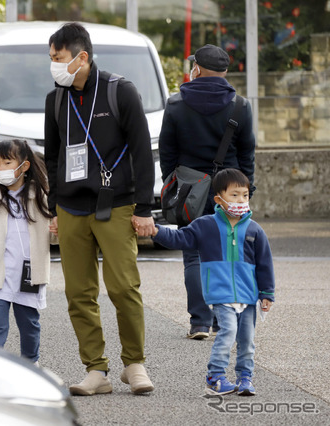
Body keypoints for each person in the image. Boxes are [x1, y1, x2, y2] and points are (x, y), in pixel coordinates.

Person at [44, 22, 155, 395]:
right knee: (78, 293)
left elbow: (142, 150)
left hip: (117, 204)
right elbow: (53, 156)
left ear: (82, 57)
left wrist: (144, 208)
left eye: (58, 58)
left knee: (124, 287)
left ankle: (134, 364)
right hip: (71, 208)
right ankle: (96, 370)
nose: (54, 66)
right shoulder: (56, 99)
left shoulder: (119, 92)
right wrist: (53, 208)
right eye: (52, 59)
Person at [159, 44, 256, 340]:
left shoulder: (176, 104)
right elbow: (248, 154)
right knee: (227, 254)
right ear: (224, 73)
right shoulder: (240, 106)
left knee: (193, 255)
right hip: (229, 190)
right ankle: (223, 320)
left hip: (189, 189)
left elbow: (168, 152)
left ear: (197, 69)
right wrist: (245, 191)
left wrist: (174, 184)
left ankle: (200, 322)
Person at [148, 168, 274, 396]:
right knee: (227, 332)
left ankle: (245, 378)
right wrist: (156, 231)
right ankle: (215, 376)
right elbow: (180, 238)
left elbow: (265, 265)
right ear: (219, 199)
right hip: (221, 294)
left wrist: (267, 293)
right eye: (234, 195)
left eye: (244, 195)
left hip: (248, 296)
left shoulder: (255, 230)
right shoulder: (205, 225)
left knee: (247, 341)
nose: (241, 200)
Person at [0, 139, 55, 363]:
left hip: (28, 275)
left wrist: (57, 227)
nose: (1, 169)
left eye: (7, 162)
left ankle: (30, 364)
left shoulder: (42, 197)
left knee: (30, 325)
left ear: (24, 166)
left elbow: (54, 238)